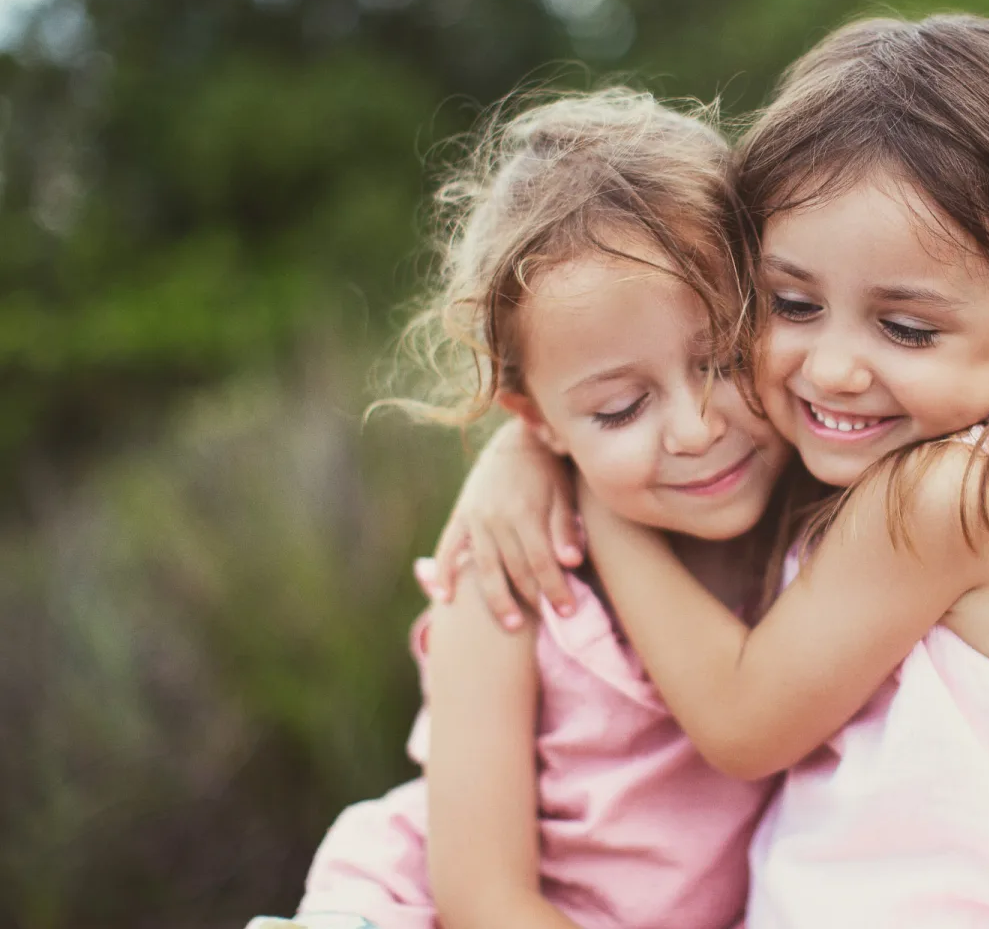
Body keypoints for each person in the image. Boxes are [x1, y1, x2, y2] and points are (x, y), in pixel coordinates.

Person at [428, 15, 989, 927]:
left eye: (906, 327)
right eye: (790, 305)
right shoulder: (876, 460)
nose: (834, 369)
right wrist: (531, 447)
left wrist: (583, 483)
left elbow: (742, 722)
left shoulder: (950, 493)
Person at [251, 88, 790, 929]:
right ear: (539, 422)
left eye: (724, 359)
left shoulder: (818, 518)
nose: (695, 429)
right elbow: (484, 900)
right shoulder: (506, 580)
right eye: (619, 410)